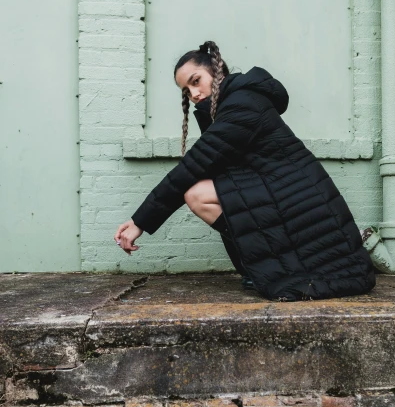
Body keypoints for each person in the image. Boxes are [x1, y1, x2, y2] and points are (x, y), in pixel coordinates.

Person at [114, 41, 375, 302]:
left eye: (196, 81)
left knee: (196, 193)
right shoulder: (228, 106)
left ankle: (271, 266)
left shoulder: (242, 104)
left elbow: (194, 165)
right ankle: (265, 265)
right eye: (186, 90)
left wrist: (140, 222)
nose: (193, 93)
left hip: (298, 198)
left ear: (217, 72)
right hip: (279, 190)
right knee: (200, 192)